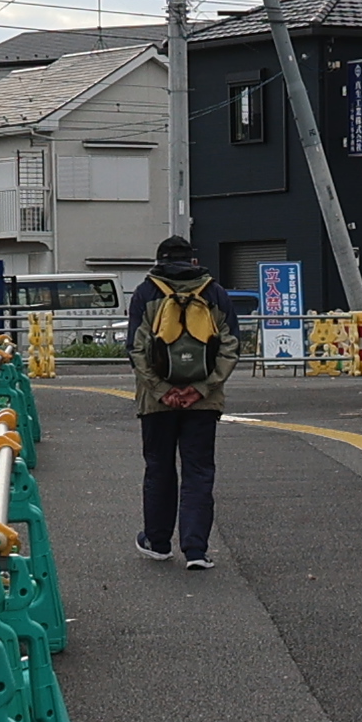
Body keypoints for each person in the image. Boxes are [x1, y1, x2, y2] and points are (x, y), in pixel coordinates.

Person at [125, 234, 231, 569]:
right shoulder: (213, 292)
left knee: (159, 468)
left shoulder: (146, 293)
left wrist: (161, 390)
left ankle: (157, 543)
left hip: (157, 403)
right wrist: (202, 388)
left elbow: (136, 349)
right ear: (192, 260)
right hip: (203, 402)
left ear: (159, 261)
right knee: (198, 471)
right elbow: (230, 347)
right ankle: (196, 550)